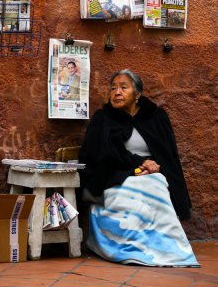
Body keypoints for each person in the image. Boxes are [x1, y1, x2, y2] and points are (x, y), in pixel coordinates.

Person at [78, 69, 200, 267]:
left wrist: (151, 168)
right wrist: (137, 164)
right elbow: (99, 154)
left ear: (138, 94)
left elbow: (168, 155)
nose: (117, 92)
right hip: (112, 176)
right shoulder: (103, 118)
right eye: (113, 88)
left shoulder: (156, 116)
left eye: (123, 87)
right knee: (136, 193)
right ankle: (133, 248)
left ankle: (168, 249)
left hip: (152, 173)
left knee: (158, 184)